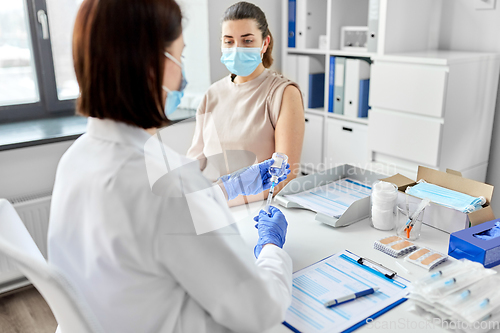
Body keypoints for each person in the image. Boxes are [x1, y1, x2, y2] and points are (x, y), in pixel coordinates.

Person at [47, 0, 293, 332]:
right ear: (152, 66)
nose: (183, 71)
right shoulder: (165, 187)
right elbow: (261, 310)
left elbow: (162, 224)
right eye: (181, 55)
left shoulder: (76, 159)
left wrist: (223, 190)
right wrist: (272, 249)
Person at [187, 1, 305, 206]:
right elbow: (194, 163)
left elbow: (284, 179)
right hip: (211, 208)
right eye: (229, 41)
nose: (237, 49)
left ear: (264, 43)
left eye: (247, 41)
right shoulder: (212, 94)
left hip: (257, 213)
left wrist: (221, 195)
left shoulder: (283, 94)